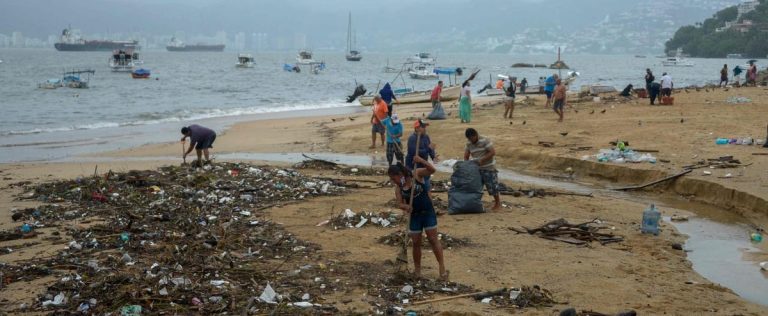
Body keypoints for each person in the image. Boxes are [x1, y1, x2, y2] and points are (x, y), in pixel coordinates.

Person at [387, 157, 447, 280]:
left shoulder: (416, 174)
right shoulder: (399, 187)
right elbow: (399, 203)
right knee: (415, 243)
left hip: (428, 212)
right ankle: (417, 271)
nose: (393, 181)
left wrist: (421, 160)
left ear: (400, 174)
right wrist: (406, 206)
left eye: (394, 178)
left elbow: (432, 170)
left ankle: (442, 268)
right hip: (414, 216)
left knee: (432, 239)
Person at [464, 128, 501, 211]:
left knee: (492, 187)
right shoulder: (469, 143)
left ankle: (498, 203)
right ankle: (477, 203)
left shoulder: (485, 140)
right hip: (476, 169)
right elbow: (466, 155)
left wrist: (482, 160)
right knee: (477, 187)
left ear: (476, 135)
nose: (471, 140)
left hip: (489, 167)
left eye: (472, 138)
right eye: (469, 139)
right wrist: (466, 165)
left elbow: (492, 152)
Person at [406, 119, 437, 191]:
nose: (425, 129)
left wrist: (433, 156)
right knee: (415, 187)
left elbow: (430, 148)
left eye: (425, 127)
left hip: (423, 165)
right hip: (413, 166)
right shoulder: (412, 138)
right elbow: (414, 152)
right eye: (423, 127)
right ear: (417, 128)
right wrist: (428, 149)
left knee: (426, 186)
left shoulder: (426, 137)